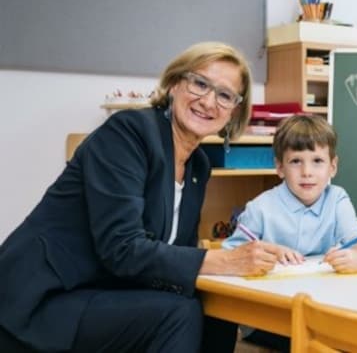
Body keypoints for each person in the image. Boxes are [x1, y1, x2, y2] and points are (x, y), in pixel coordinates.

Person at [0, 42, 280, 353]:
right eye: (200, 83)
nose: (209, 101)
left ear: (233, 112)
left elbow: (176, 254)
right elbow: (122, 247)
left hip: (104, 293)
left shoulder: (198, 164)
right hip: (42, 300)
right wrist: (223, 260)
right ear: (174, 84)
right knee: (178, 314)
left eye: (225, 95)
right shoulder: (128, 133)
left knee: (219, 306)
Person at [223, 114, 357, 351]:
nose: (307, 171)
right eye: (296, 161)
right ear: (279, 167)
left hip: (324, 308)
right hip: (269, 317)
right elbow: (229, 258)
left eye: (317, 161)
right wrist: (268, 251)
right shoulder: (261, 207)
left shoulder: (337, 199)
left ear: (332, 167)